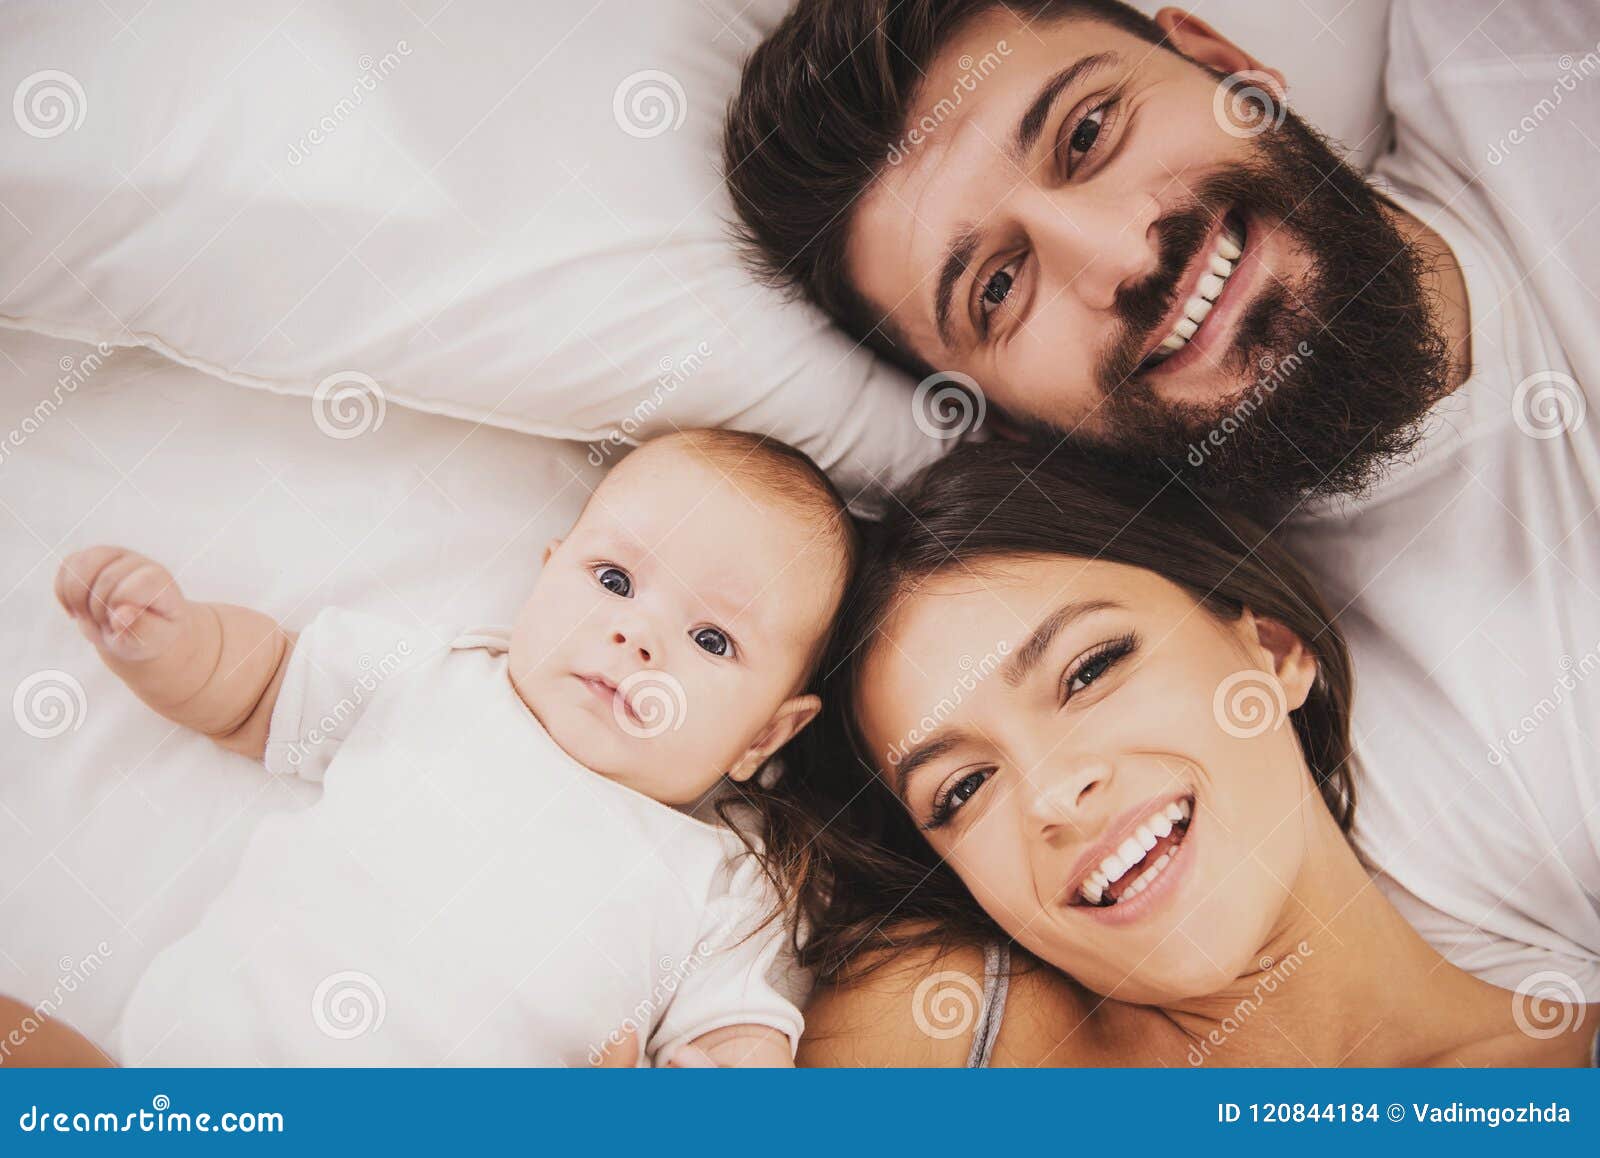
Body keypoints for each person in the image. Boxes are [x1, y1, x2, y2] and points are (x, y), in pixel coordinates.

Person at [726, 0, 1600, 998]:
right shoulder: (1382, 810)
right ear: (1006, 426)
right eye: (998, 289)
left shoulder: (1527, 49)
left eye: (1089, 132)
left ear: (1223, 61)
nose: (1125, 257)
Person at [778, 441, 1599, 1067]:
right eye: (961, 791)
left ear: (1271, 648)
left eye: (1090, 670)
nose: (1052, 795)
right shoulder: (939, 1031)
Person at [52, 429, 856, 1067]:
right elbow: (257, 689)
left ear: (766, 735)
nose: (637, 634)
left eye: (712, 638)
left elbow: (740, 1036)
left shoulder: (723, 883)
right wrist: (173, 642)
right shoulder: (431, 682)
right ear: (545, 576)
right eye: (613, 580)